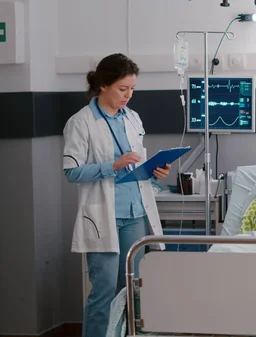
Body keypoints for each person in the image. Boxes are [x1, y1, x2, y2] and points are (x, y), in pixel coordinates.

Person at [62, 53, 170, 337]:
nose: (129, 95)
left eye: (132, 89)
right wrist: (112, 165)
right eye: (123, 89)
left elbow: (136, 165)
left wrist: (154, 171)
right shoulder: (81, 122)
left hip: (135, 213)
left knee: (132, 289)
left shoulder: (132, 118)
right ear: (103, 85)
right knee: (105, 290)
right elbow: (71, 172)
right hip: (103, 217)